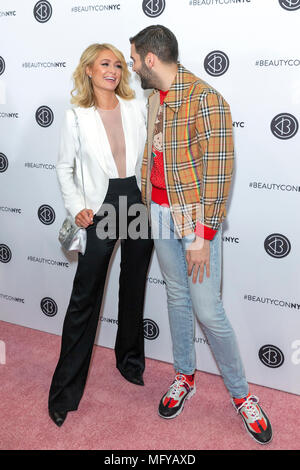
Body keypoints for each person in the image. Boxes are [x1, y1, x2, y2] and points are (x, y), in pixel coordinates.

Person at [129, 26, 272, 445]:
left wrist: (202, 235)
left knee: (208, 311)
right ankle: (184, 375)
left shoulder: (206, 99)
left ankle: (242, 395)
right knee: (175, 296)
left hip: (192, 219)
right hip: (157, 211)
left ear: (151, 59)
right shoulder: (155, 95)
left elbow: (219, 172)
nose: (133, 65)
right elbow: (155, 155)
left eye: (134, 58)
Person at [48, 43, 153, 427]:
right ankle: (64, 392)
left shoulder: (135, 107)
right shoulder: (77, 114)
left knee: (133, 285)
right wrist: (77, 207)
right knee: (85, 297)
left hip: (136, 201)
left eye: (119, 64)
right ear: (89, 70)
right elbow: (64, 167)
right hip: (103, 206)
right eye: (105, 63)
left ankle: (129, 362)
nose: (113, 70)